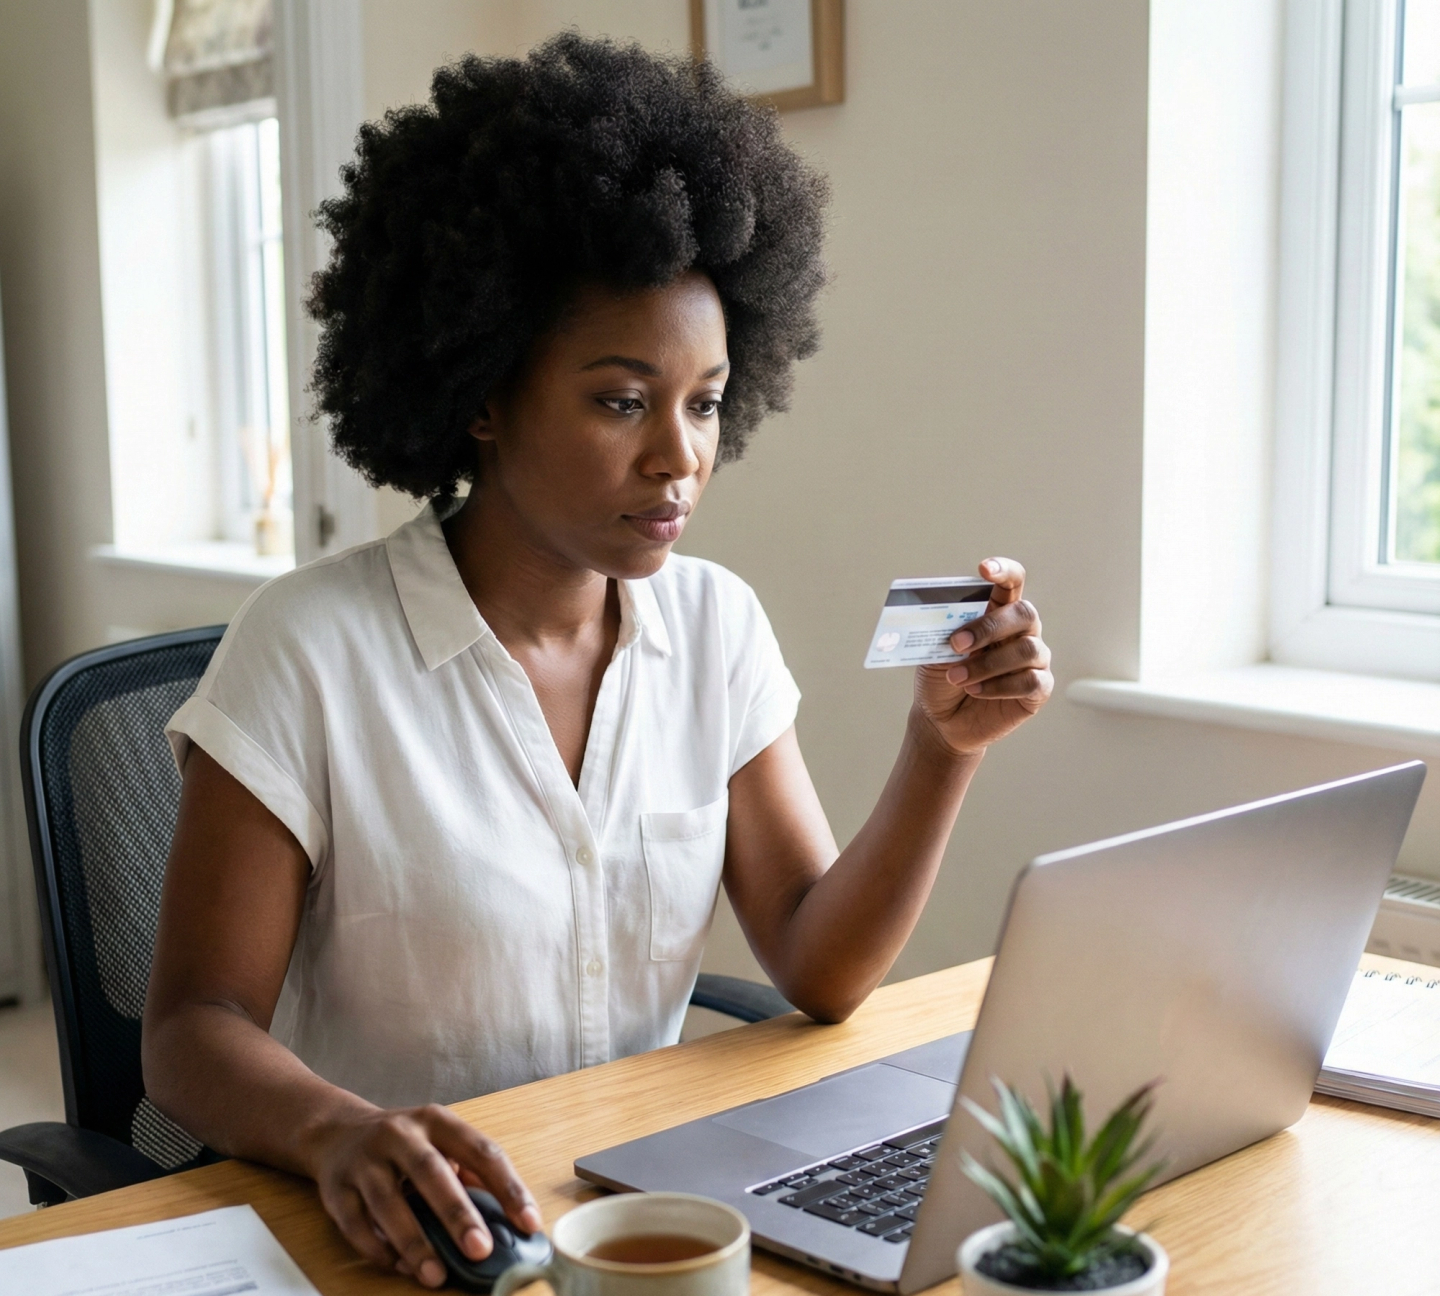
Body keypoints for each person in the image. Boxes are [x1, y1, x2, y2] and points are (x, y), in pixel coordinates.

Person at [142, 34, 1053, 1292]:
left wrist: (941, 749)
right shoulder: (307, 651)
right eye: (624, 400)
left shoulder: (716, 627)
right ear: (483, 394)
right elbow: (192, 1031)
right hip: (406, 1242)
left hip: (638, 1227)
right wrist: (337, 1128)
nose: (680, 457)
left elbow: (819, 963)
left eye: (708, 400)